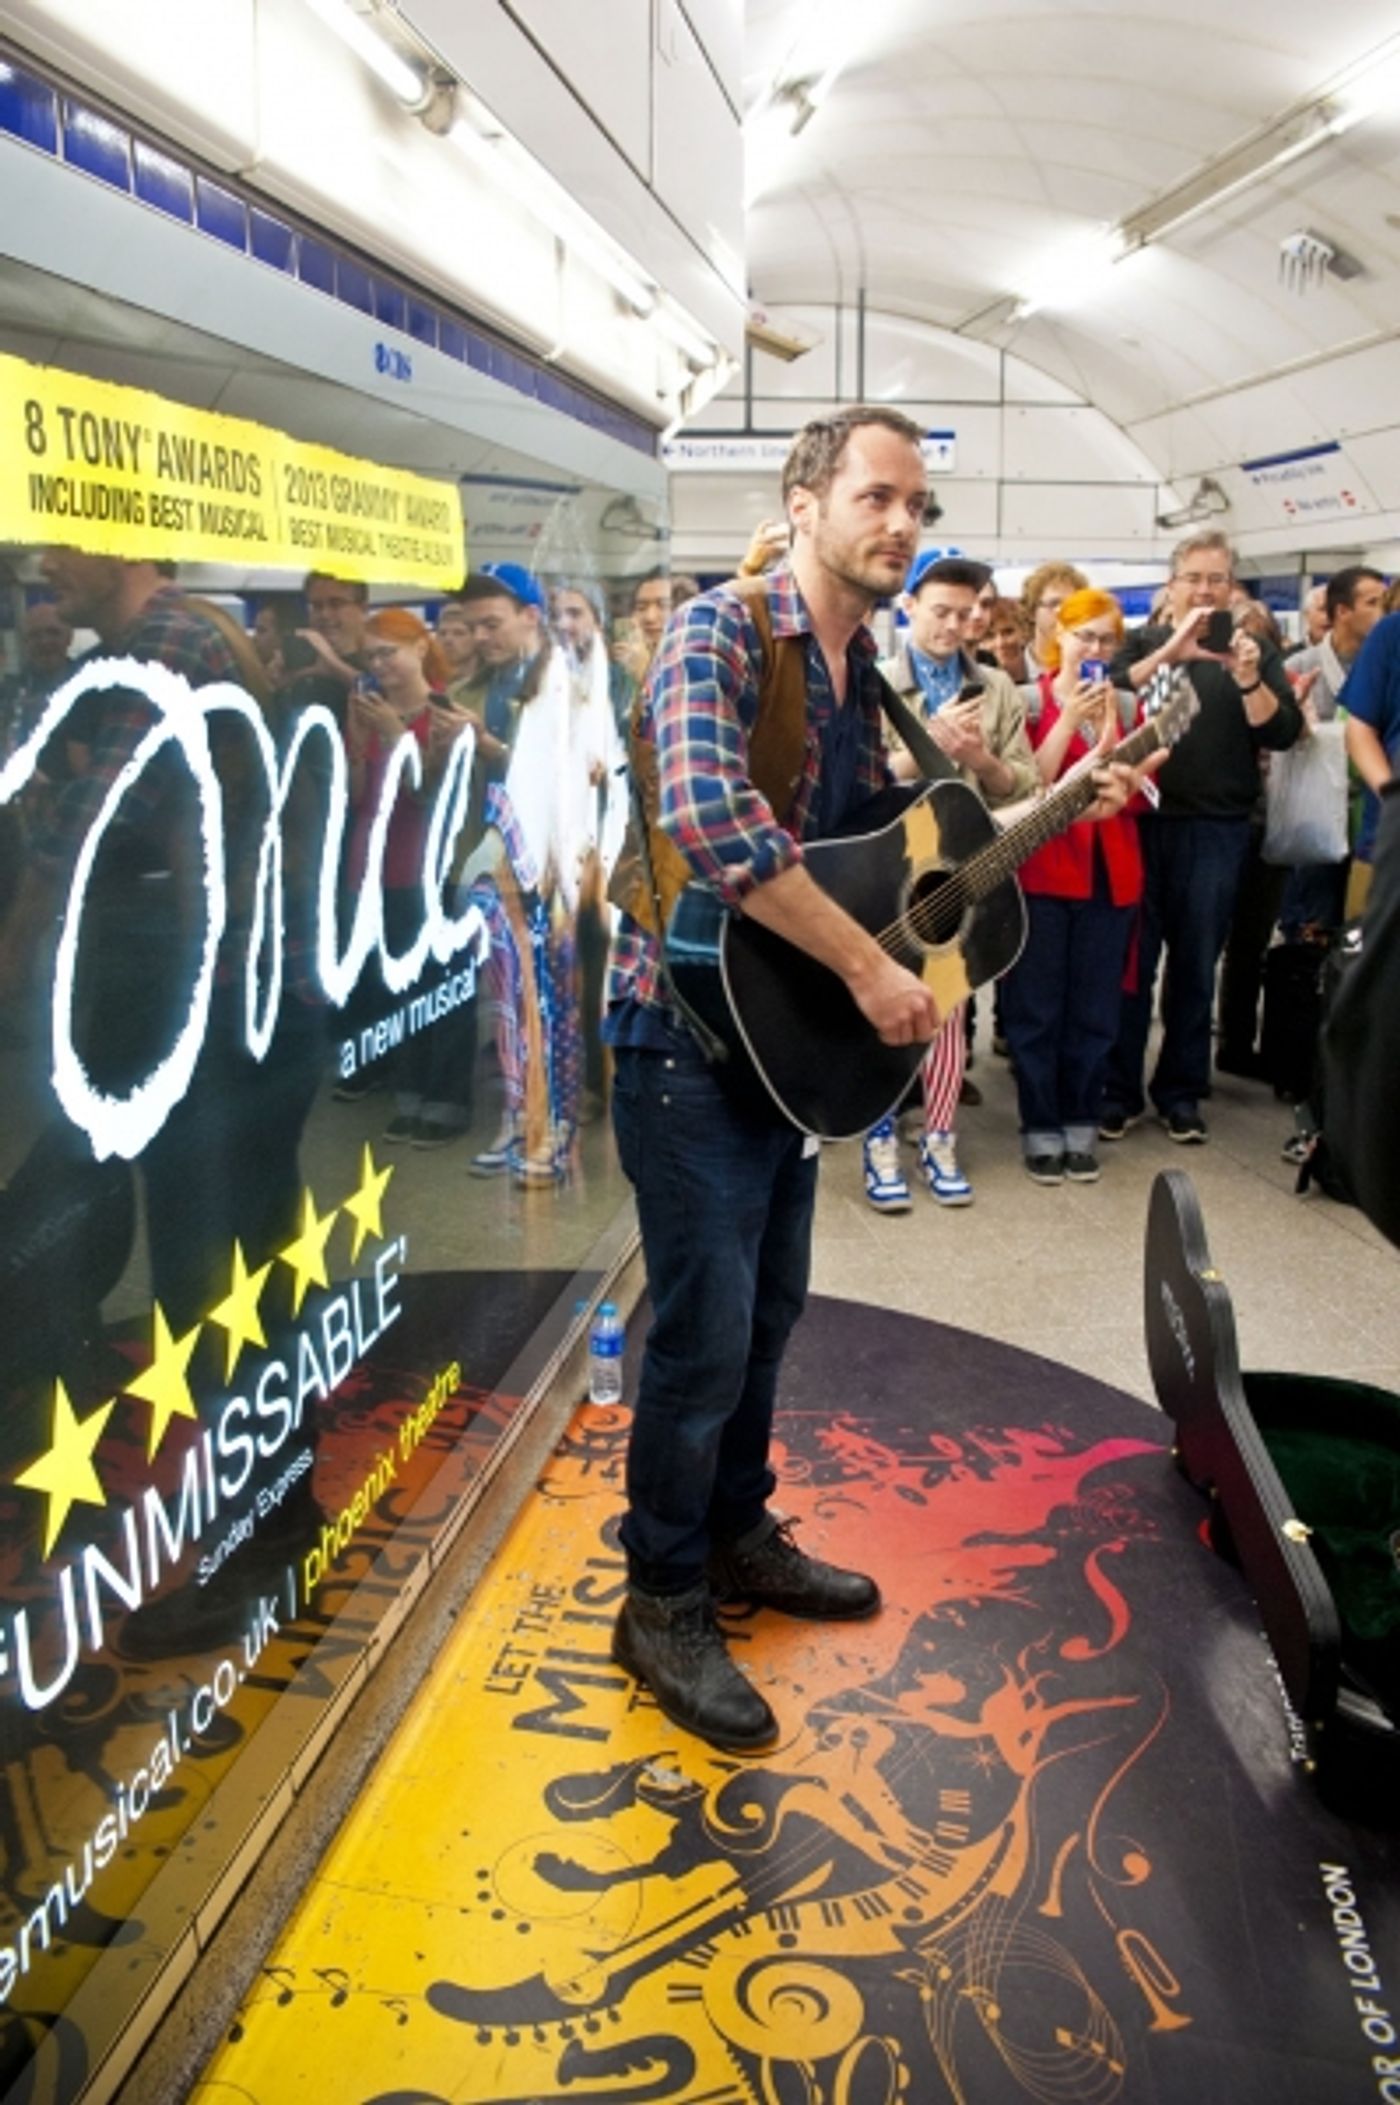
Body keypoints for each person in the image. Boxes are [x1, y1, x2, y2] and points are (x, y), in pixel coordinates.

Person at [603, 407, 1143, 1752]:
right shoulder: (722, 631)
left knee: (770, 1311)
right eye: (876, 496)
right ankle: (661, 1596)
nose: (901, 524)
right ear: (804, 500)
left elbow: (889, 866)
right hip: (685, 1037)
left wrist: (1057, 800)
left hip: (777, 1046)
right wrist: (866, 976)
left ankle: (735, 1533)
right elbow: (710, 819)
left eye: (918, 505)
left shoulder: (871, 672)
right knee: (702, 1330)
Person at [1101, 531, 1302, 1144]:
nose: (1206, 589)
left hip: (1216, 830)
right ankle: (1118, 1090)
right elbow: (1111, 690)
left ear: (1232, 587)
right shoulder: (1141, 644)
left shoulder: (1255, 651)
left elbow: (1283, 733)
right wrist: (1173, 653)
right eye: (1195, 577)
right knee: (1134, 966)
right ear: (1172, 583)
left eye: (1218, 579)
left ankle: (1182, 1091)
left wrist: (1248, 679)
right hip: (1142, 823)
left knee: (1195, 965)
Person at [862, 555, 1038, 1211]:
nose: (955, 626)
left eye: (968, 613)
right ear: (908, 608)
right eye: (941, 611)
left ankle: (939, 1136)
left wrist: (977, 757)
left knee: (952, 1010)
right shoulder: (872, 682)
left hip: (958, 867)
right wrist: (925, 749)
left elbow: (1022, 784)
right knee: (877, 1008)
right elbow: (863, 783)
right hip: (884, 868)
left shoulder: (996, 688)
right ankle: (878, 1136)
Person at [999, 591, 1143, 1183]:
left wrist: (1127, 773)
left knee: (1096, 1006)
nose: (1095, 649)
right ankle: (1039, 1123)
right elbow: (1026, 783)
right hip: (1043, 869)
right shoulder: (1030, 700)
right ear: (1059, 635)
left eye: (1107, 639)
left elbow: (1146, 788)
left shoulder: (1128, 705)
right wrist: (1065, 714)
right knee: (1036, 1007)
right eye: (1085, 636)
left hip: (1111, 872)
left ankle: (1081, 1118)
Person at [348, 608, 477, 1147]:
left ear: (421, 649)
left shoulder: (447, 711)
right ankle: (409, 1094)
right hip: (373, 863)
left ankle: (446, 1099)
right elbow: (356, 795)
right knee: (395, 989)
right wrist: (359, 737)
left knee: (441, 986)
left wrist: (396, 735)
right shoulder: (365, 708)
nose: (381, 667)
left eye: (389, 653)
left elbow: (430, 793)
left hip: (430, 864)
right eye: (371, 656)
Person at [1277, 566, 1387, 937]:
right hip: (1316, 820)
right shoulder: (1299, 666)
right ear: (1343, 611)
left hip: (1367, 816)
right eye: (1373, 603)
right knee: (1313, 926)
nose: (1384, 611)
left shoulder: (1385, 663)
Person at [1340, 606, 1400, 919]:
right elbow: (1359, 731)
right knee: (1367, 953)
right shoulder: (1391, 633)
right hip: (1388, 840)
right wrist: (1392, 795)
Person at [1019, 561, 1089, 677]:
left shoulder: (1090, 669)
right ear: (1032, 612)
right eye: (1054, 604)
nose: (1063, 612)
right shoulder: (1009, 671)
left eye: (1072, 604)